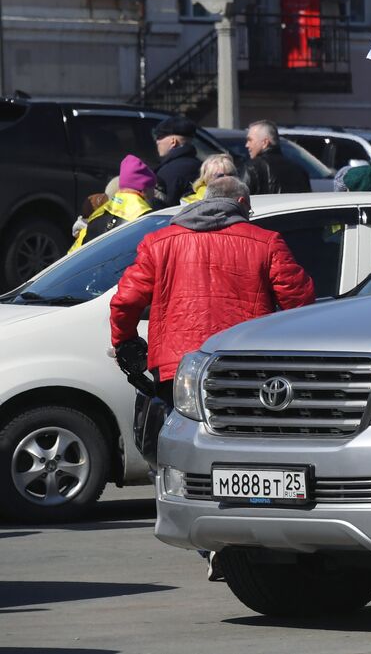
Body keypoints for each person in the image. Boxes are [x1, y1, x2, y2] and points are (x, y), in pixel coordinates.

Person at [110, 176, 314, 581]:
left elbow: (126, 299)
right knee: (248, 458)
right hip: (244, 371)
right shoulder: (264, 240)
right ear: (240, 202)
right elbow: (300, 301)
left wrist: (126, 343)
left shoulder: (160, 242)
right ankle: (242, 539)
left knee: (184, 456)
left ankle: (210, 541)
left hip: (176, 368)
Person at [69, 156, 157, 252]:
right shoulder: (148, 219)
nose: (154, 194)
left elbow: (72, 253)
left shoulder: (96, 216)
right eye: (152, 189)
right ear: (144, 190)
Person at [242, 119, 310, 195]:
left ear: (265, 142)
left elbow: (240, 200)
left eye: (250, 140)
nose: (247, 145)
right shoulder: (299, 170)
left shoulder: (252, 167)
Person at [151, 115, 202, 207]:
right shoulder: (200, 166)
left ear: (173, 141)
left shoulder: (167, 172)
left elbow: (162, 208)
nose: (157, 141)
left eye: (159, 137)